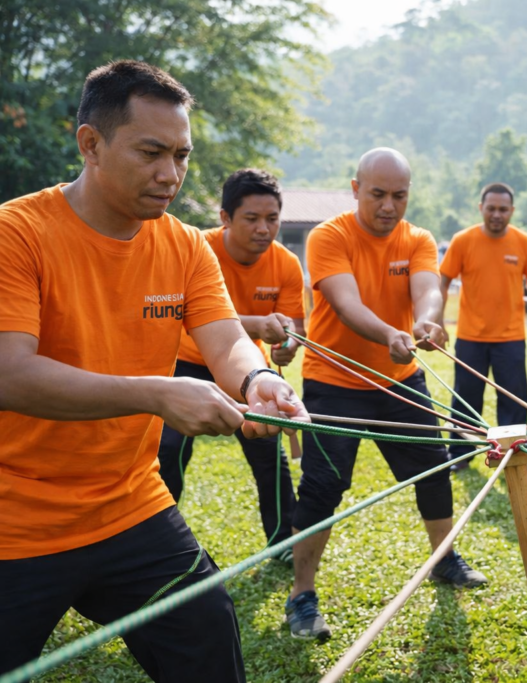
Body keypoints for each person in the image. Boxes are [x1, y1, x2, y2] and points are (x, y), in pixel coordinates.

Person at [0, 61, 308, 681]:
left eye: (181, 155)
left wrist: (258, 382)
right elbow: (11, 375)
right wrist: (159, 394)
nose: (171, 174)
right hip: (15, 519)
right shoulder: (17, 233)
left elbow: (226, 341)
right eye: (151, 153)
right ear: (91, 144)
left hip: (129, 504)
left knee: (207, 632)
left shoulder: (184, 246)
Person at [287, 147, 487, 641]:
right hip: (334, 382)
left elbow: (429, 290)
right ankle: (302, 594)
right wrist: (389, 334)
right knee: (322, 486)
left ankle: (444, 558)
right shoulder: (328, 236)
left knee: (434, 469)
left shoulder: (417, 238)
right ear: (356, 189)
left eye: (399, 196)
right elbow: (346, 302)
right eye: (377, 194)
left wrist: (426, 322)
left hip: (399, 379)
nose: (388, 206)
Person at [156, 169, 305, 552]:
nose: (263, 229)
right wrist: (257, 324)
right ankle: (157, 542)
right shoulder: (196, 249)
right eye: (251, 218)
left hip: (244, 367)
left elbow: (295, 328)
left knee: (268, 450)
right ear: (225, 217)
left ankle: (282, 543)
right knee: (168, 448)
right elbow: (186, 314)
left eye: (272, 219)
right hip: (186, 360)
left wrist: (287, 345)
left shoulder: (286, 264)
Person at [439, 182, 527, 470]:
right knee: (465, 399)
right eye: (491, 208)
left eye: (503, 209)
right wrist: (438, 320)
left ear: (512, 210)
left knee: (513, 399)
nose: (497, 214)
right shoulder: (463, 240)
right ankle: (460, 454)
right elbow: (443, 281)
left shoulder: (524, 242)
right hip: (470, 337)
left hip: (511, 337)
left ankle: (512, 455)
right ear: (481, 208)